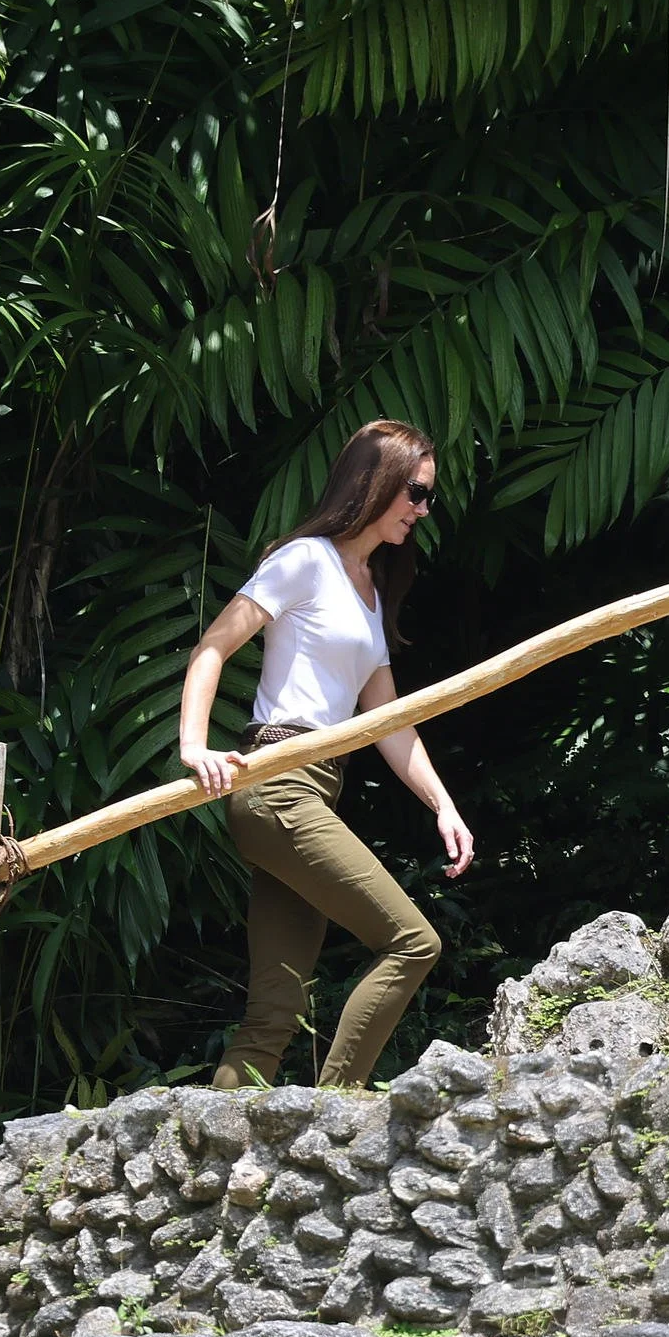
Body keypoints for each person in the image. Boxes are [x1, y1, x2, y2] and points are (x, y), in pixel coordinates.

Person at [178, 420, 473, 1091]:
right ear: (378, 483)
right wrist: (195, 747)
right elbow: (213, 648)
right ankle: (337, 1110)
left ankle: (215, 1174)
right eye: (418, 493)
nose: (424, 510)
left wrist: (443, 806)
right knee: (413, 942)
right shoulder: (305, 560)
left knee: (274, 1014)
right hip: (277, 782)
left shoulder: (369, 594)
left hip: (315, 790)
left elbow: (392, 725)